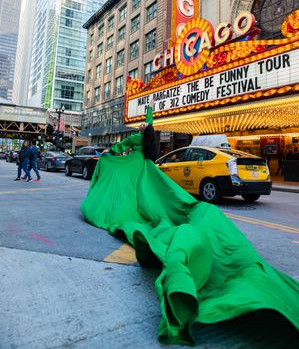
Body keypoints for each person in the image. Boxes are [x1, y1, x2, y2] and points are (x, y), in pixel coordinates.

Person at [80, 107, 299, 345]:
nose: (141, 127)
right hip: (148, 171)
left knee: (138, 202)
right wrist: (151, 114)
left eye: (142, 125)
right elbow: (149, 125)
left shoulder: (136, 138)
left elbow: (117, 148)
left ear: (141, 129)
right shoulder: (150, 139)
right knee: (169, 202)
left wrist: (108, 155)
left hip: (136, 170)